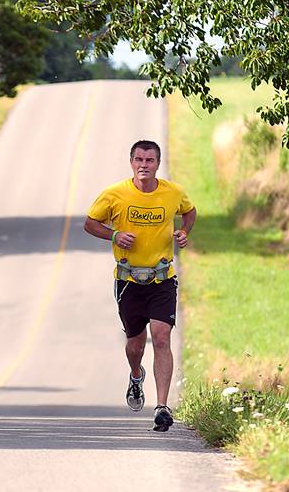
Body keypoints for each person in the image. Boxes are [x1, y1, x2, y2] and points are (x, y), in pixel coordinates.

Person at [84, 139, 196, 432]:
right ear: (131, 162)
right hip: (128, 280)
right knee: (135, 344)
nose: (144, 165)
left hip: (162, 277)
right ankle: (136, 375)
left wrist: (183, 231)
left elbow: (190, 211)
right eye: (139, 160)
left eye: (149, 160)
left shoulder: (173, 192)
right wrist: (114, 235)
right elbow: (90, 223)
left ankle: (161, 407)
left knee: (161, 336)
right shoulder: (114, 194)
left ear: (157, 164)